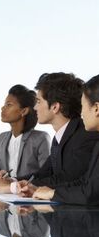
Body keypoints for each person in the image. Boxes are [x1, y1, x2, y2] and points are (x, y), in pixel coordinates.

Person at [0, 72, 99, 194]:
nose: (35, 107)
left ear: (55, 107)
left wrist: (14, 187)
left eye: (38, 101)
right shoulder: (60, 136)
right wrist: (12, 180)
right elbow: (42, 174)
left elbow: (67, 178)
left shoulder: (86, 135)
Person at [23, 74, 99, 204]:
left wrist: (50, 192)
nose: (81, 113)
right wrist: (18, 183)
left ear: (96, 108)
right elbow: (84, 183)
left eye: (84, 106)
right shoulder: (59, 138)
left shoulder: (87, 135)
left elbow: (88, 191)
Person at [0, 84, 50, 182]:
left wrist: (12, 181)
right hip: (3, 195)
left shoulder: (41, 138)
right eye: (4, 104)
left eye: (9, 105)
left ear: (23, 111)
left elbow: (45, 174)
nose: (3, 108)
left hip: (28, 195)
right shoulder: (2, 138)